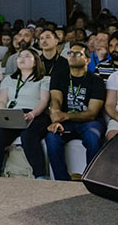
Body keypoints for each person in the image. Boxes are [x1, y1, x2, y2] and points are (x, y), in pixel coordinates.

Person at [45, 42, 106, 180]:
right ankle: (62, 181)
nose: (72, 56)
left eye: (78, 53)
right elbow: (55, 101)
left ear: (87, 60)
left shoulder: (96, 81)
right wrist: (55, 120)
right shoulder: (59, 76)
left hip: (89, 122)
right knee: (52, 137)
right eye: (70, 53)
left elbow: (92, 113)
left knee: (92, 137)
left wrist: (64, 116)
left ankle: (92, 179)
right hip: (65, 124)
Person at [0, 49, 51, 178]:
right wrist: (2, 113)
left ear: (35, 62)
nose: (22, 59)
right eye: (20, 56)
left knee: (28, 135)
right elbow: (2, 100)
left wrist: (32, 114)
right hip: (13, 114)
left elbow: (44, 101)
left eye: (27, 56)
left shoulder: (44, 79)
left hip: (35, 115)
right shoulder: (9, 79)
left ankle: (40, 175)